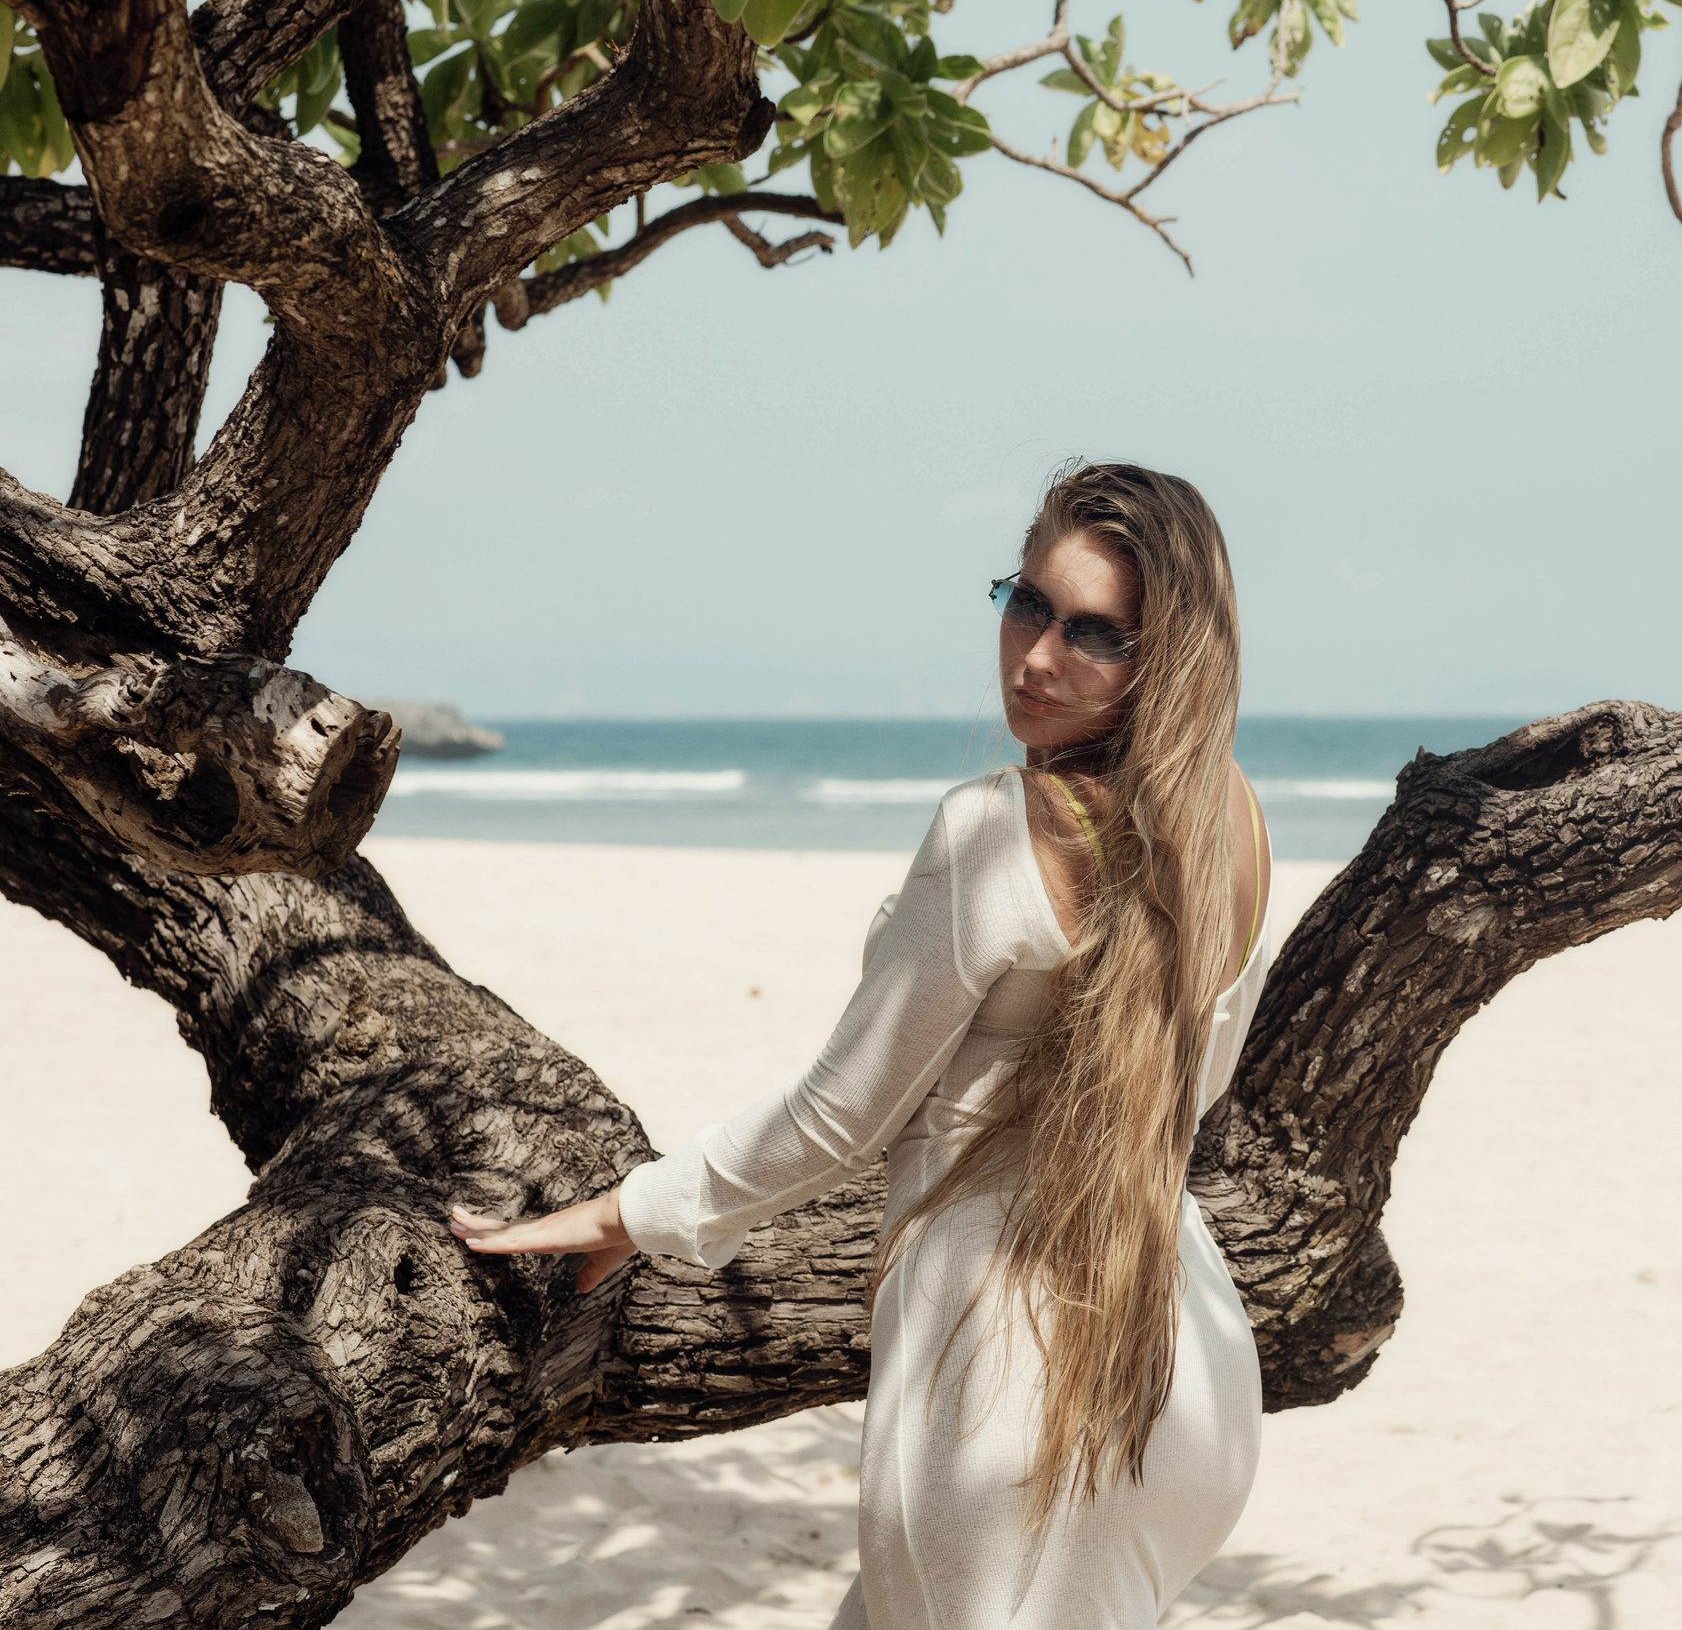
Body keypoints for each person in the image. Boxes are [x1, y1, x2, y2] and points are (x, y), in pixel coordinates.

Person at [450, 464, 1275, 1627]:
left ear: (1168, 657)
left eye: (1094, 633)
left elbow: (835, 1119)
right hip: (1186, 1378)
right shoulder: (1231, 817)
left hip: (1011, 1385)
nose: (1037, 656)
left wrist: (624, 1213)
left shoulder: (994, 832)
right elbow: (1198, 1085)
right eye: (1027, 603)